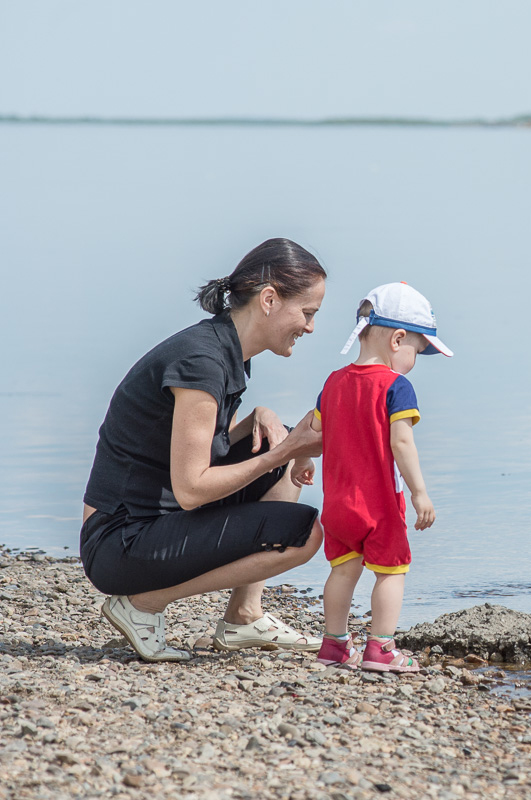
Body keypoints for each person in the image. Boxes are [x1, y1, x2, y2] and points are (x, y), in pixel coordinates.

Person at [80, 238, 328, 662]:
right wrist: (284, 452)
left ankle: (243, 617)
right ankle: (142, 605)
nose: (310, 327)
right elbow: (192, 488)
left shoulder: (222, 349)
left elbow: (201, 441)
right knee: (305, 534)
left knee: (278, 442)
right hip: (118, 541)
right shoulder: (202, 361)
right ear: (270, 299)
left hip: (144, 523)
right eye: (307, 313)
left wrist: (261, 421)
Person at [295, 282, 451, 672]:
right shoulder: (396, 387)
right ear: (398, 339)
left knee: (342, 570)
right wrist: (419, 493)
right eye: (419, 349)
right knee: (392, 571)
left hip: (339, 505)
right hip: (379, 505)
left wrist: (300, 463)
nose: (417, 358)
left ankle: (333, 647)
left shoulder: (333, 382)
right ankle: (380, 648)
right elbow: (402, 443)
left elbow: (312, 433)